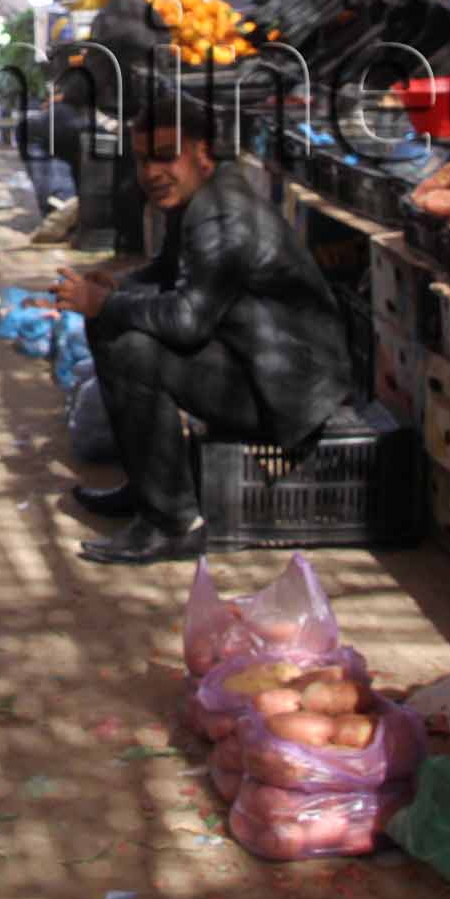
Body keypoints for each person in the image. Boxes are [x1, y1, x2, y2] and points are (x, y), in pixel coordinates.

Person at [49, 92, 351, 564]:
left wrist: (107, 302)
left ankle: (170, 524)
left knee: (132, 345)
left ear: (204, 155)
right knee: (109, 323)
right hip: (246, 358)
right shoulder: (197, 200)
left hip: (283, 393)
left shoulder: (223, 217)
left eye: (166, 157)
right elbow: (167, 272)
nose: (151, 173)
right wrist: (117, 286)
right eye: (144, 159)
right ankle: (148, 491)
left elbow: (187, 323)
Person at [27, 0, 165, 248]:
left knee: (36, 128)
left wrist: (65, 95)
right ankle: (71, 203)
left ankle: (60, 203)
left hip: (114, 117)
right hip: (147, 112)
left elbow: (92, 76)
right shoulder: (157, 15)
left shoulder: (110, 17)